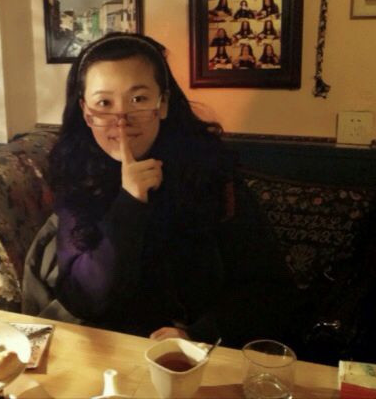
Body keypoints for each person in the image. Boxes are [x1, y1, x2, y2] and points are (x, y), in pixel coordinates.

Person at [45, 32, 297, 347]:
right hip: (115, 354)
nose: (121, 121)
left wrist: (197, 334)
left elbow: (271, 290)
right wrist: (129, 202)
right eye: (104, 103)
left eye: (138, 99)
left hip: (202, 354)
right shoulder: (79, 177)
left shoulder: (211, 174)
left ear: (162, 104)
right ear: (86, 112)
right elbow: (83, 300)